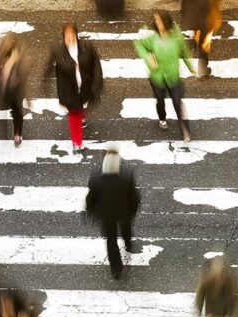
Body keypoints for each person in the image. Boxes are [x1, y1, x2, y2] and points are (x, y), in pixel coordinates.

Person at [134, 11, 194, 142]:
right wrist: (147, 56)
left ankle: (185, 130)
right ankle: (162, 118)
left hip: (173, 75)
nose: (157, 24)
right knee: (160, 100)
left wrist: (191, 67)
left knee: (177, 103)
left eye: (160, 21)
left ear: (166, 22)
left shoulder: (176, 34)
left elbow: (184, 51)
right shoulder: (150, 33)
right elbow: (139, 44)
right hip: (157, 76)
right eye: (155, 21)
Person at [85, 149, 141, 279]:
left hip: (106, 214)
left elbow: (91, 197)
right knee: (126, 229)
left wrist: (90, 211)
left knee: (111, 239)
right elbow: (134, 196)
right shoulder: (126, 177)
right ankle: (128, 244)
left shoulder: (96, 178)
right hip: (124, 212)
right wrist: (133, 210)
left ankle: (116, 268)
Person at [47, 24, 103, 152]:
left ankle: (82, 115)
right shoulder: (58, 51)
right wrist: (45, 84)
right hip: (68, 90)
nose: (70, 37)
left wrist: (97, 82)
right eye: (67, 35)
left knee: (83, 105)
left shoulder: (87, 47)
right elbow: (49, 67)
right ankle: (77, 142)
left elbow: (96, 65)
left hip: (85, 87)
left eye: (72, 34)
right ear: (63, 36)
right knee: (74, 114)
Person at [0, 33, 29, 147]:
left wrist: (28, 97)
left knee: (17, 112)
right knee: (2, 107)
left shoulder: (18, 56)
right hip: (2, 89)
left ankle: (18, 133)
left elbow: (24, 76)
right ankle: (4, 130)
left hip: (15, 90)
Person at [181, 0, 223, 77]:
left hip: (192, 15)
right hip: (205, 17)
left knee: (198, 35)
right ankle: (202, 69)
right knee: (203, 44)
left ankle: (192, 44)